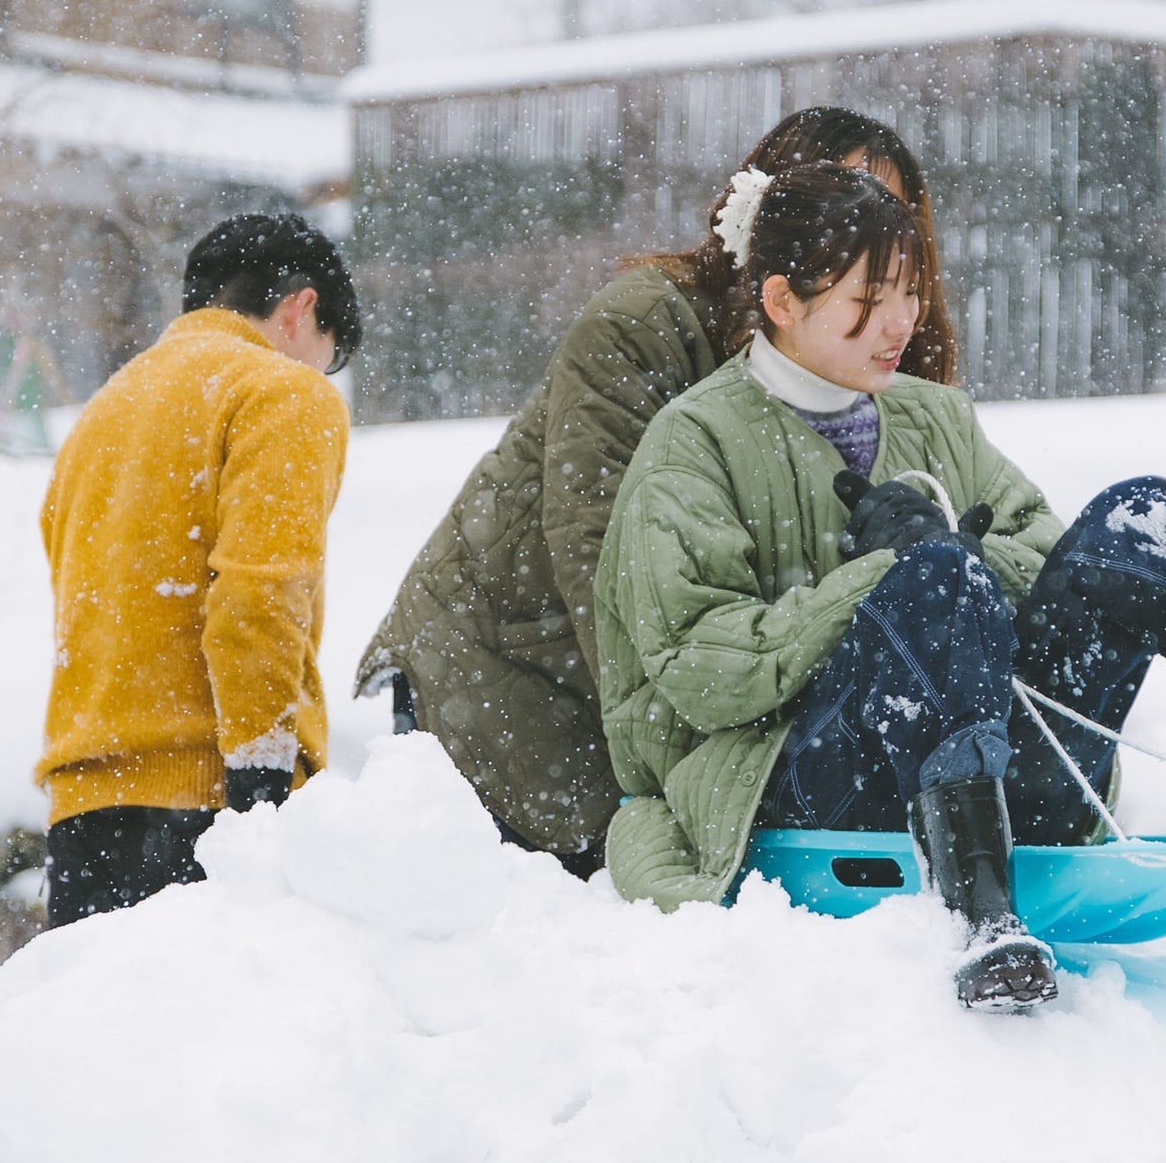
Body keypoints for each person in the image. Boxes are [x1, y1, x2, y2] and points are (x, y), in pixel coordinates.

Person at [597, 165, 1166, 1011]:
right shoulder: (693, 444)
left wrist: (961, 559)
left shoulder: (934, 418)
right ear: (782, 301)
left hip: (997, 767)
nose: (901, 322)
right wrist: (884, 578)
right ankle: (978, 918)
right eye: (868, 300)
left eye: (910, 292)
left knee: (1141, 522)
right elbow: (701, 670)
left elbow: (1051, 559)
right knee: (932, 578)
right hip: (808, 786)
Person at [359, 107, 956, 872]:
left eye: (892, 212)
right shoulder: (647, 324)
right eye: (842, 194)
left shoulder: (871, 361)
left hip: (693, 681)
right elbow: (597, 545)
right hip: (517, 676)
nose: (870, 227)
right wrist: (702, 761)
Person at [36, 208, 360, 924]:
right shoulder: (283, 391)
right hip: (211, 804)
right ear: (301, 309)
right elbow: (259, 594)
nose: (319, 373)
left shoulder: (102, 413)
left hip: (83, 809)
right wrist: (262, 786)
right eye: (326, 351)